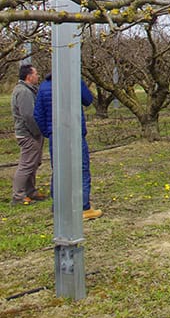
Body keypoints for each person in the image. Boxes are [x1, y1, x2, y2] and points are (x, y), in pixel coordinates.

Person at [33, 73, 102, 221]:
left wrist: (49, 132)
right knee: (81, 169)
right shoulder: (74, 80)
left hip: (55, 135)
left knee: (58, 168)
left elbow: (38, 114)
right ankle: (84, 208)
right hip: (75, 132)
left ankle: (58, 206)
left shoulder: (44, 86)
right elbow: (88, 100)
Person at [11, 63, 45, 205]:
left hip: (30, 133)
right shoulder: (24, 92)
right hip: (28, 134)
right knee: (26, 164)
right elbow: (28, 115)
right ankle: (18, 195)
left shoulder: (28, 90)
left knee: (32, 163)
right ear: (29, 76)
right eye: (36, 73)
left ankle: (30, 191)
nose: (38, 76)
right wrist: (37, 131)